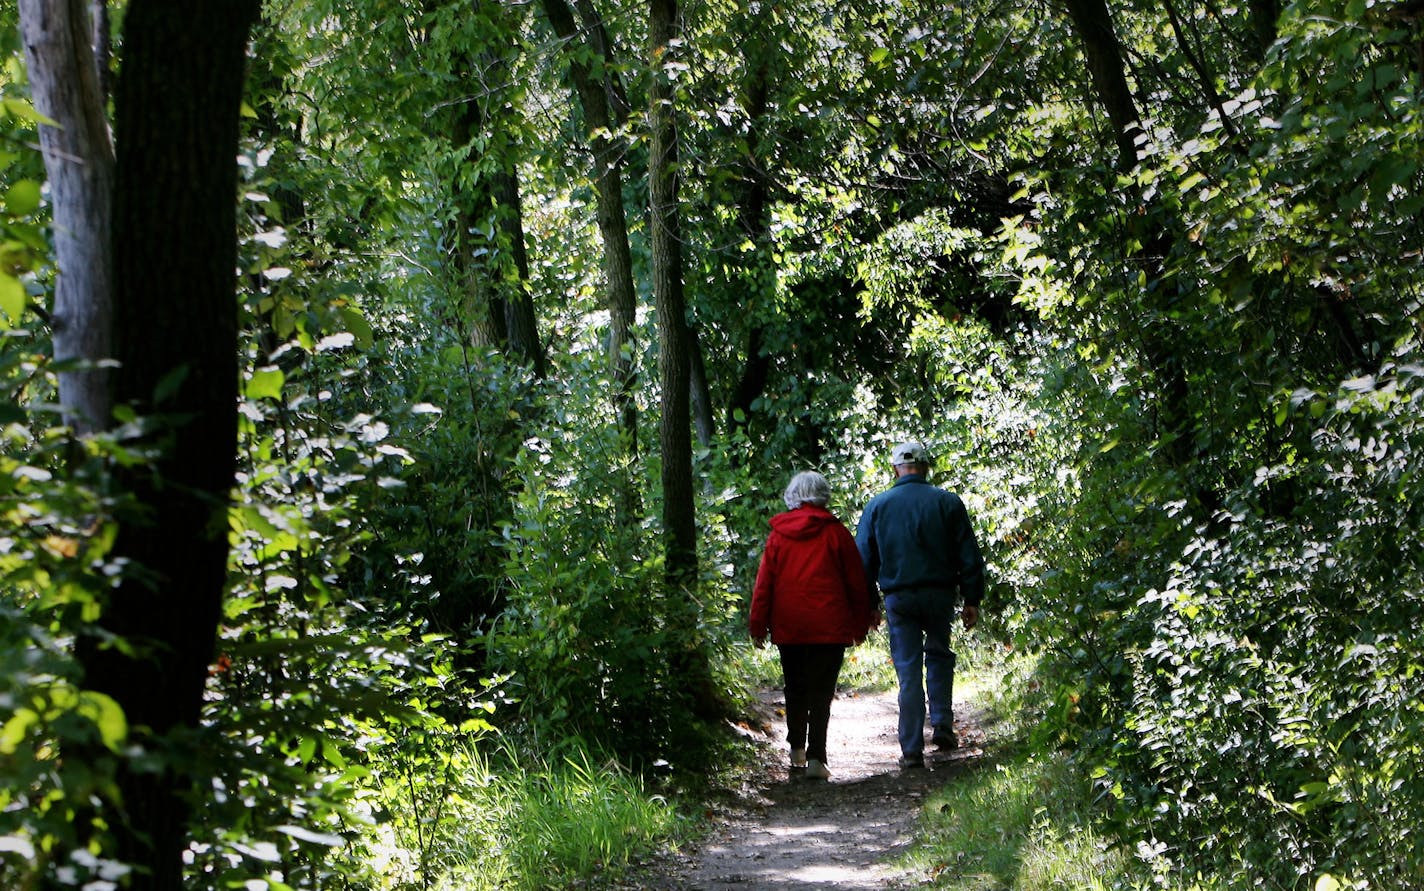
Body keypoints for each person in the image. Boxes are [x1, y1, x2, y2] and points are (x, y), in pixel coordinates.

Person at [856, 441, 985, 769]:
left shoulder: (877, 506)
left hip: (898, 598)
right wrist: (972, 598)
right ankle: (942, 724)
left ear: (895, 468)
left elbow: (864, 561)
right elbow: (968, 553)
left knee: (908, 669)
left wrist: (869, 604)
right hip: (939, 594)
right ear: (927, 467)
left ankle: (911, 748)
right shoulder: (947, 503)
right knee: (940, 655)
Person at [749, 471, 875, 781]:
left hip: (789, 625)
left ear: (792, 495)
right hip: (829, 626)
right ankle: (818, 757)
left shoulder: (778, 536)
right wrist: (860, 624)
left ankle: (796, 751)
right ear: (822, 495)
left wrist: (758, 625)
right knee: (821, 692)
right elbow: (856, 583)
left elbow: (765, 584)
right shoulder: (836, 533)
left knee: (795, 687)